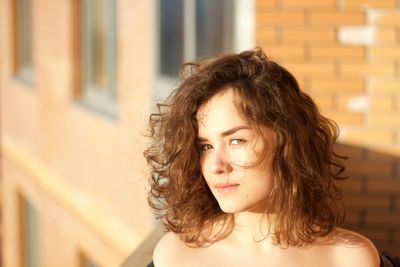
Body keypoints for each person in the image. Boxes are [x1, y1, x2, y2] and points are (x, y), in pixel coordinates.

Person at [143, 48, 390, 267]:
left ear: (287, 142)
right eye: (205, 146)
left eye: (236, 141)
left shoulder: (349, 259)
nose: (216, 165)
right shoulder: (178, 256)